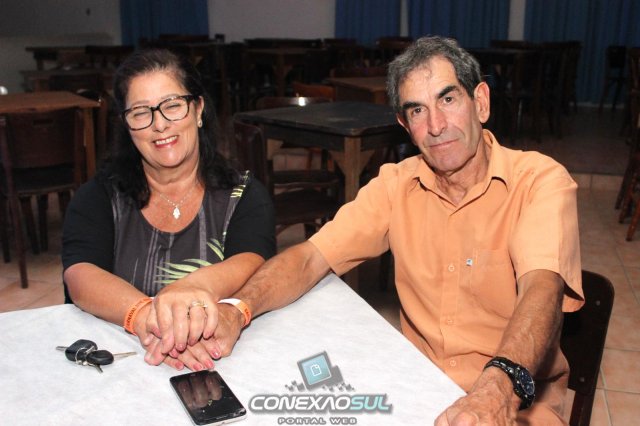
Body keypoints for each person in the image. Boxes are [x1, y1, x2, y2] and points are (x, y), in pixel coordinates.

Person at [205, 36, 585, 424]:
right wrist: (238, 309)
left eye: (448, 99)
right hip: (418, 394)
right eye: (418, 110)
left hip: (515, 404)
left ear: (481, 102)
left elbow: (542, 289)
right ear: (405, 125)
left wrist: (497, 389)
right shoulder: (396, 185)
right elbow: (310, 258)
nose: (436, 126)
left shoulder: (539, 182)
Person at [62, 48, 276, 371]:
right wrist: (146, 317)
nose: (159, 124)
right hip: (125, 364)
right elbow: (80, 274)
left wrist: (191, 290)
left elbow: (252, 262)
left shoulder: (243, 195)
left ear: (198, 109)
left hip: (223, 362)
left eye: (172, 105)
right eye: (141, 112)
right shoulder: (99, 197)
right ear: (127, 125)